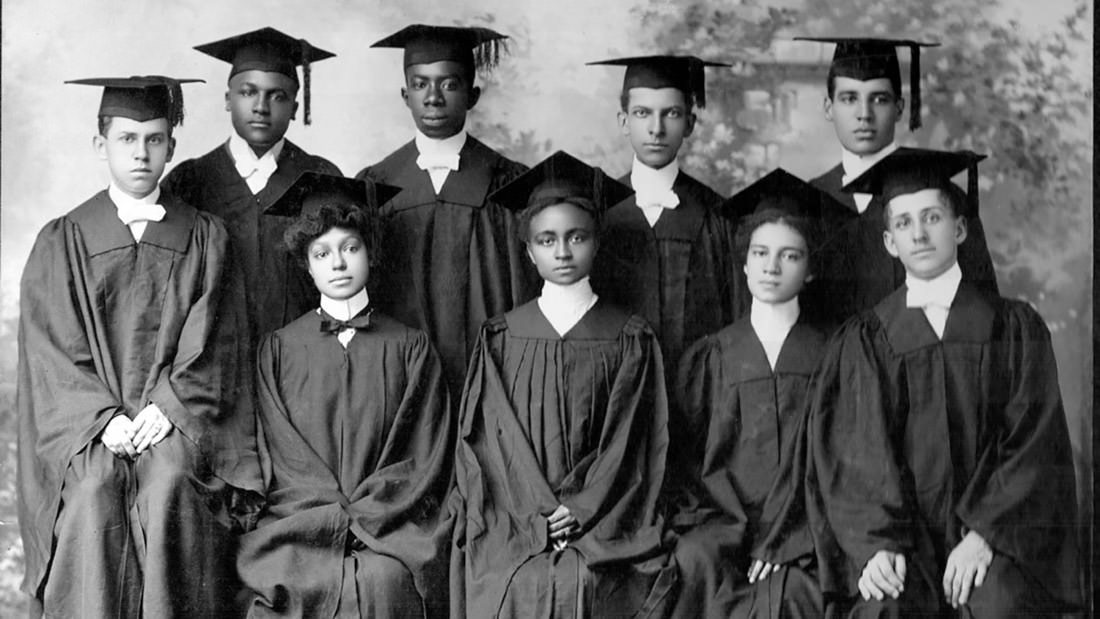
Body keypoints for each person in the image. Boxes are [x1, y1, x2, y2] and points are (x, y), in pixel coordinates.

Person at [17, 76, 261, 617]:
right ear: (100, 144)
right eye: (126, 139)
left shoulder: (205, 236)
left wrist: (169, 407)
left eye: (154, 139)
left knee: (170, 483)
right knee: (93, 491)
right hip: (90, 429)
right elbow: (53, 352)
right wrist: (101, 419)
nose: (140, 153)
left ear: (171, 147)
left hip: (175, 423)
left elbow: (216, 342)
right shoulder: (64, 239)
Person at [808, 148, 1080, 617]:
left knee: (1003, 606)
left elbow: (1033, 443)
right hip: (903, 543)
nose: (918, 234)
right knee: (883, 610)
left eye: (932, 217)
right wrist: (878, 544)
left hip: (992, 538)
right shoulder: (866, 340)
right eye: (904, 223)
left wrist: (985, 535)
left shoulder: (1013, 328)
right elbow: (856, 455)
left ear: (959, 229)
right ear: (890, 242)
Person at [451, 151, 678, 618]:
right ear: (528, 251)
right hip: (518, 523)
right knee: (519, 582)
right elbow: (492, 443)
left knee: (594, 582)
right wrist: (536, 515)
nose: (562, 252)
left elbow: (631, 444)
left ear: (597, 242)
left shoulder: (630, 336)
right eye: (546, 239)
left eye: (577, 237)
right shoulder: (501, 337)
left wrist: (581, 508)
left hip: (606, 523)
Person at [235, 172, 455, 618]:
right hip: (301, 526)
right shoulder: (279, 350)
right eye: (322, 253)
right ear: (306, 264)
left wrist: (364, 516)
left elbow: (422, 455)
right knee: (285, 582)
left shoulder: (410, 347)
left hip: (391, 527)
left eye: (350, 248)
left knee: (385, 582)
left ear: (370, 252)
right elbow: (281, 455)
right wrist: (330, 517)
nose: (337, 263)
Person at [668, 169, 852, 618]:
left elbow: (844, 460)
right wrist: (732, 527)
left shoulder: (837, 353)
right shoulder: (712, 355)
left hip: (810, 523)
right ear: (745, 263)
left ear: (810, 270)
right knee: (693, 561)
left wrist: (790, 533)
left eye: (790, 256)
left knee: (799, 591)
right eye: (761, 253)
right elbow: (689, 466)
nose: (772, 267)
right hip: (725, 523)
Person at [356, 24, 536, 394]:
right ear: (405, 95)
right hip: (402, 383)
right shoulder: (375, 184)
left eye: (449, 84)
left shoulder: (508, 183)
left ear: (472, 95)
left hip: (490, 378)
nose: (433, 98)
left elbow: (525, 294)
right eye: (420, 84)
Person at [794, 37, 997, 323]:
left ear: (900, 108)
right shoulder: (807, 200)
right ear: (828, 107)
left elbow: (982, 311)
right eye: (849, 98)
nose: (864, 115)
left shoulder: (944, 196)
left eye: (879, 99)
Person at [164, 27, 342, 345]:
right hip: (213, 363)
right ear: (228, 100)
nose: (261, 106)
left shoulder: (321, 178)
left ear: (295, 108)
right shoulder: (189, 181)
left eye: (278, 96)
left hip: (302, 358)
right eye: (248, 92)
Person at [586, 54, 742, 370]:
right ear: (624, 121)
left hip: (698, 389)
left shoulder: (718, 216)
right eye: (642, 113)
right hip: (614, 385)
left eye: (671, 113)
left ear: (689, 124)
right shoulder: (596, 210)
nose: (656, 129)